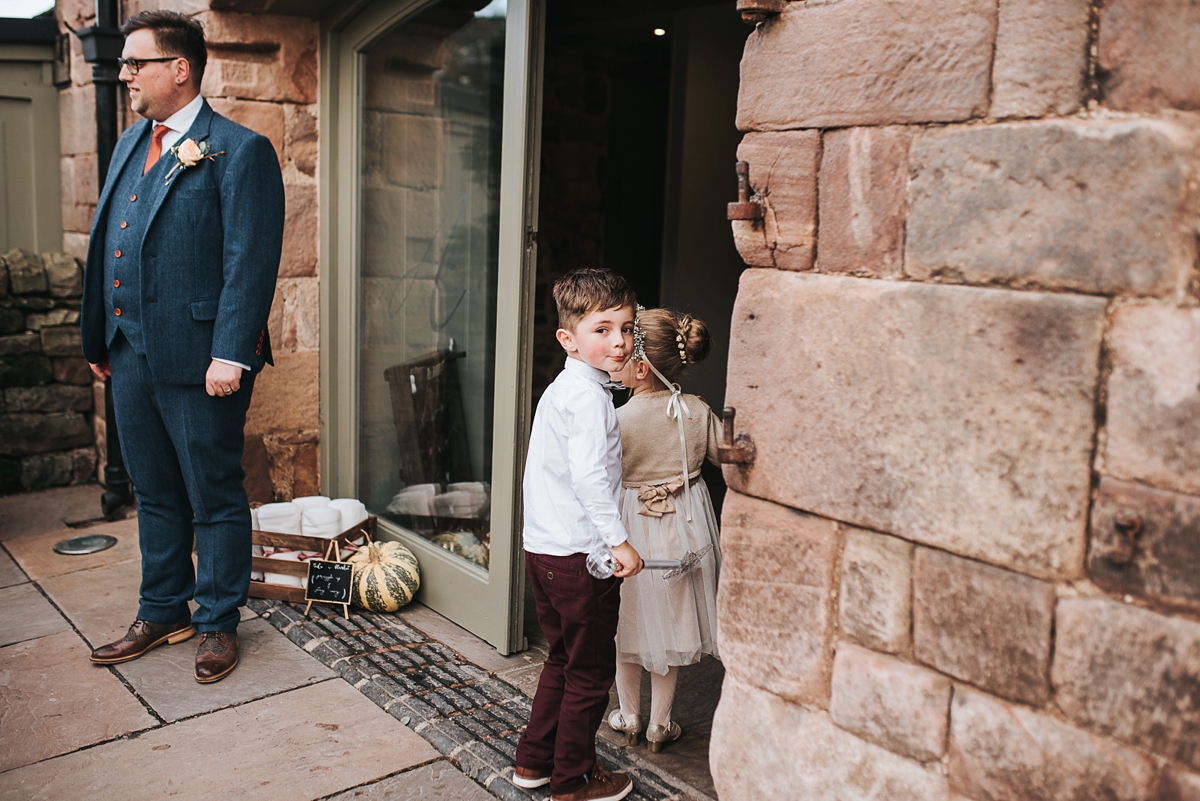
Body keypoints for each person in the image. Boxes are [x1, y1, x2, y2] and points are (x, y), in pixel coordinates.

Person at [81, 11, 284, 684]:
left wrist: (232, 351)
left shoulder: (239, 149)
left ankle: (218, 620)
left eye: (136, 62)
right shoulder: (128, 142)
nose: (124, 72)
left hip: (203, 360)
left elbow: (248, 261)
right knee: (154, 489)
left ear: (180, 69)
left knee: (213, 490)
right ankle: (161, 606)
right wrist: (98, 334)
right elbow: (107, 235)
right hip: (129, 350)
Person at [513, 268, 643, 801]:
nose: (619, 341)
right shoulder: (589, 401)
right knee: (589, 673)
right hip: (578, 557)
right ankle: (573, 781)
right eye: (603, 329)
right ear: (568, 338)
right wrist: (619, 542)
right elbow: (591, 479)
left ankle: (532, 764)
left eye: (627, 328)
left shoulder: (564, 387)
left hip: (543, 549)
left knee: (562, 659)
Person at [604, 307, 722, 753]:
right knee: (669, 626)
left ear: (638, 366)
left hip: (632, 530)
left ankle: (629, 715)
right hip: (683, 529)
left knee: (627, 623)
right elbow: (721, 457)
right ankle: (660, 724)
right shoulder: (694, 411)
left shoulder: (617, 420)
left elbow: (603, 479)